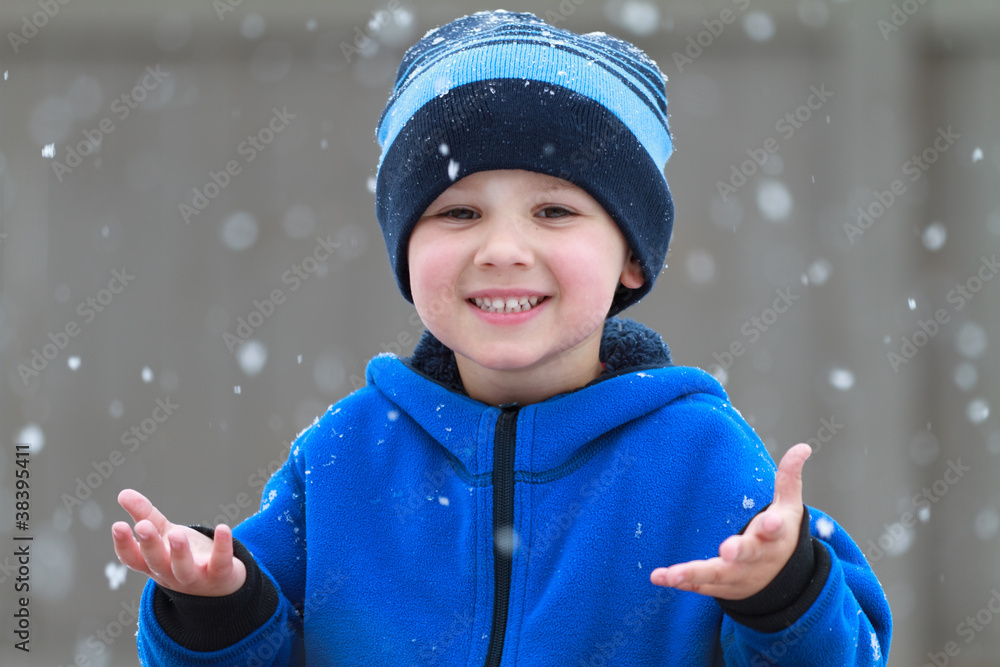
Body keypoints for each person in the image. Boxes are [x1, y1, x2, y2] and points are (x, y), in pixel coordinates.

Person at [111, 10, 892, 665]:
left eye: (554, 211)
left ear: (630, 257)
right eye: (459, 212)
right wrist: (215, 610)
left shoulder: (701, 456)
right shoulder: (346, 453)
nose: (504, 248)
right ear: (405, 252)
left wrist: (784, 592)